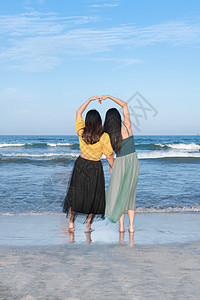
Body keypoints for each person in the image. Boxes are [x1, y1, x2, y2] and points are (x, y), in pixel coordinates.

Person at [63, 96, 114, 233]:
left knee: (77, 195)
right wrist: (112, 167)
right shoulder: (104, 136)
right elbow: (109, 155)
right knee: (93, 196)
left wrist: (90, 100)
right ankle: (87, 227)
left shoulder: (81, 132)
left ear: (87, 121)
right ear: (99, 122)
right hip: (95, 167)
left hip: (80, 165)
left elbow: (78, 112)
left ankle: (71, 224)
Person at [100, 95, 139, 233]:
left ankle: (121, 227)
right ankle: (132, 227)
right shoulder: (127, 126)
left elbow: (109, 155)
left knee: (120, 193)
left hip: (120, 163)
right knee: (130, 194)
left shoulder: (109, 135)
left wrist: (112, 167)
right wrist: (109, 97)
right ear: (118, 117)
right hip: (133, 161)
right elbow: (124, 105)